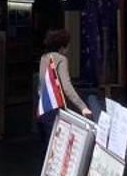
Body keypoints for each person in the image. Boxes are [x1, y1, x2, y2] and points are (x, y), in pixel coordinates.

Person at [37, 28, 88, 156]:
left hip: (42, 108)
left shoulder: (44, 58)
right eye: (67, 46)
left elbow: (41, 86)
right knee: (58, 149)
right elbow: (67, 86)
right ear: (62, 46)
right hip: (54, 108)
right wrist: (83, 107)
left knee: (46, 150)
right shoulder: (61, 59)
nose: (68, 49)